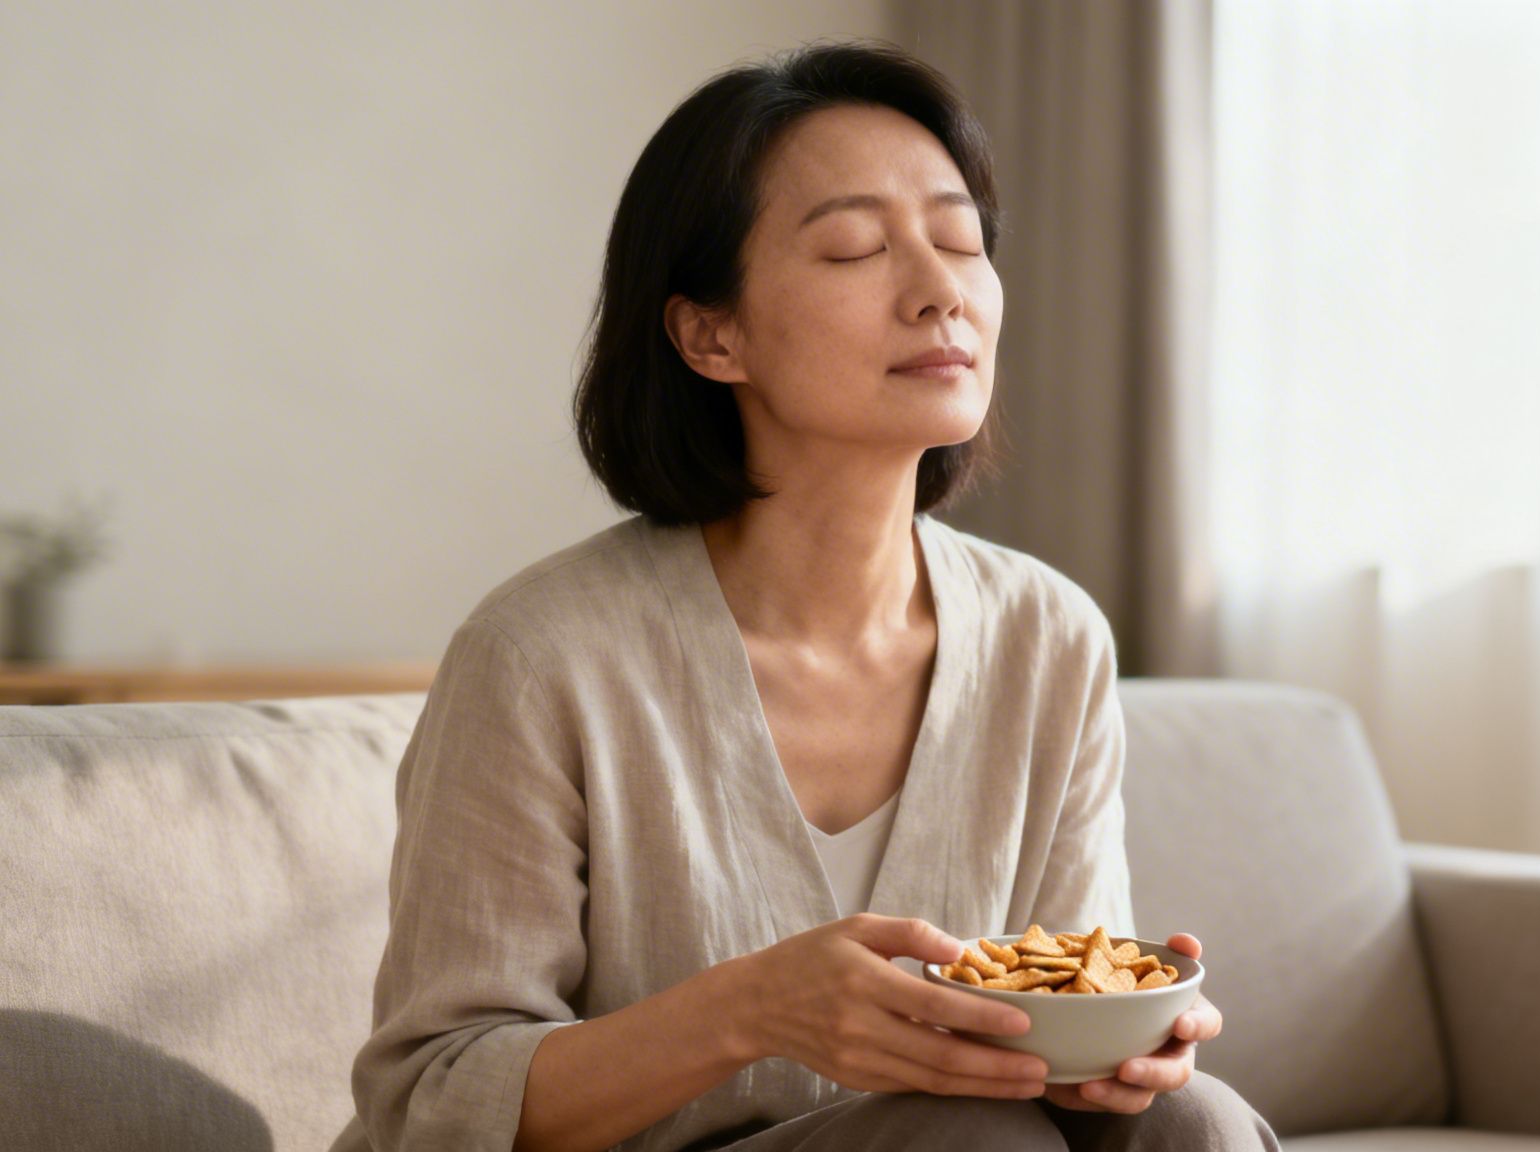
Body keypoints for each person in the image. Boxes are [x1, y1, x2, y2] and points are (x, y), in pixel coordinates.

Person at [333, 41, 1279, 1152]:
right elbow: (429, 1102)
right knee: (966, 1142)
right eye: (855, 248)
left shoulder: (1047, 636)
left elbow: (1062, 1009)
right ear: (710, 334)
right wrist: (746, 1011)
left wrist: (1117, 1051)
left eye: (961, 240)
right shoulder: (543, 654)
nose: (940, 292)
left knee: (1189, 1122)